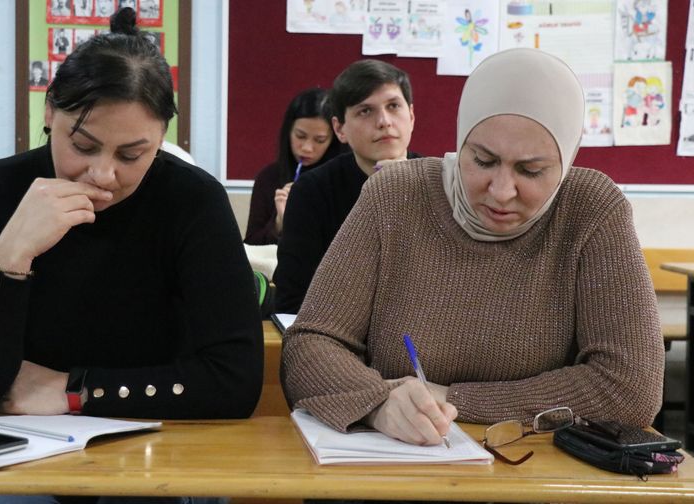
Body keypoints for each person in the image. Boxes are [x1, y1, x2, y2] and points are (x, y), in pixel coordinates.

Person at [0, 7, 263, 500]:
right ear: (48, 114)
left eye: (132, 155)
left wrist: (74, 390)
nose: (103, 175)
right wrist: (11, 257)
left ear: (162, 138)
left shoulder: (193, 201)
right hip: (22, 453)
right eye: (82, 146)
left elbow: (236, 383)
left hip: (159, 448)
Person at [281, 48, 664, 447]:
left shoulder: (590, 209)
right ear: (461, 140)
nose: (501, 191)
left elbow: (629, 388)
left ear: (567, 161)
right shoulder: (395, 196)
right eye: (482, 160)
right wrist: (379, 403)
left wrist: (454, 400)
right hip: (401, 466)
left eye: (531, 170)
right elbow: (311, 343)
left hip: (534, 472)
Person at [273, 60, 420, 313]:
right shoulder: (311, 192)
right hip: (338, 338)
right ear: (340, 129)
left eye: (393, 106)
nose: (384, 121)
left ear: (411, 116)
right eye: (365, 111)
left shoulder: (444, 184)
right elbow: (293, 300)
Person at [244, 88, 344, 245]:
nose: (307, 148)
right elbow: (251, 245)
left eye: (319, 140)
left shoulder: (341, 178)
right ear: (288, 131)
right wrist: (279, 224)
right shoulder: (269, 177)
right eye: (300, 136)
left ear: (333, 139)